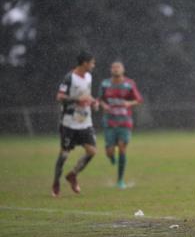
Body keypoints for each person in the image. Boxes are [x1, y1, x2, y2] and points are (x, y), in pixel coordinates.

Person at [52, 51, 98, 197]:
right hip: (69, 123)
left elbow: (87, 94)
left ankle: (72, 175)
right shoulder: (69, 77)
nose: (93, 65)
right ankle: (56, 182)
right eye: (92, 63)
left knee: (92, 151)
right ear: (85, 63)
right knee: (64, 154)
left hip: (85, 121)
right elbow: (59, 97)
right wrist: (76, 100)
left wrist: (93, 102)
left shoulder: (89, 76)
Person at [98, 61, 144, 189]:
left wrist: (129, 104)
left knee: (122, 147)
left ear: (123, 70)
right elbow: (100, 99)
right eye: (113, 67)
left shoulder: (129, 84)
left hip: (125, 121)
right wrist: (104, 105)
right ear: (110, 70)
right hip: (110, 122)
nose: (116, 69)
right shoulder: (105, 84)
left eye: (118, 67)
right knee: (109, 151)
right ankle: (111, 157)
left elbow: (139, 99)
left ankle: (120, 180)